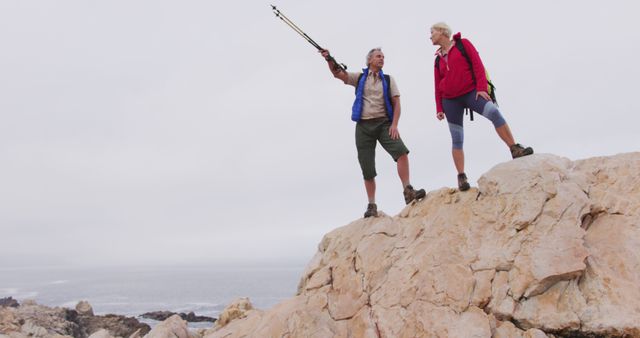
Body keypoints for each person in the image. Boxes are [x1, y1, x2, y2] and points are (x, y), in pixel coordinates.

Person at [320, 47, 425, 218]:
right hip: (363, 126)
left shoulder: (389, 80)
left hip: (384, 124)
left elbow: (397, 104)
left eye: (383, 56)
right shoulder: (360, 77)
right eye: (378, 56)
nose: (382, 59)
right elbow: (339, 74)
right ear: (370, 60)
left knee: (402, 152)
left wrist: (395, 125)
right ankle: (371, 204)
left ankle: (408, 190)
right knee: (367, 168)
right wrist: (328, 59)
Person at [429, 22, 534, 191]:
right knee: (457, 139)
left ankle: (514, 148)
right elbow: (437, 85)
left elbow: (477, 64)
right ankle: (461, 176)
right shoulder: (437, 60)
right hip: (450, 101)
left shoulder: (463, 44)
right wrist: (439, 108)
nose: (430, 36)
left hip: (471, 93)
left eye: (432, 32)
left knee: (494, 113)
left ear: (442, 32)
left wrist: (482, 89)